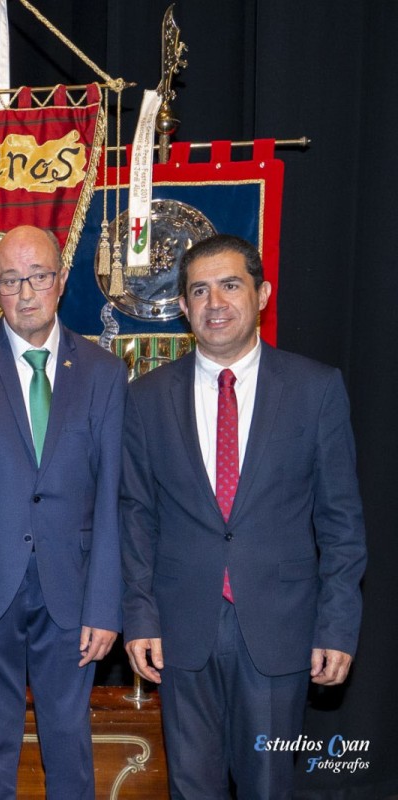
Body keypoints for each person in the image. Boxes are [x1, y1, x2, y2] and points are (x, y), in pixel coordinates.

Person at [121, 233, 367, 798]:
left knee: (268, 787)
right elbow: (136, 516)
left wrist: (337, 624)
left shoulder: (316, 389)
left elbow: (342, 524)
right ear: (182, 308)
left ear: (262, 294)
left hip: (282, 629)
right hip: (182, 631)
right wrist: (139, 615)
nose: (215, 303)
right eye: (200, 291)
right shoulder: (146, 399)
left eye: (231, 285)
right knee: (191, 787)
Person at [0, 225, 125, 799]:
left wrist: (106, 604)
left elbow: (113, 496)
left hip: (75, 593)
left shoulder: (104, 373)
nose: (26, 292)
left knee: (70, 751)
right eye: (11, 281)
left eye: (38, 277)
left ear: (61, 282)